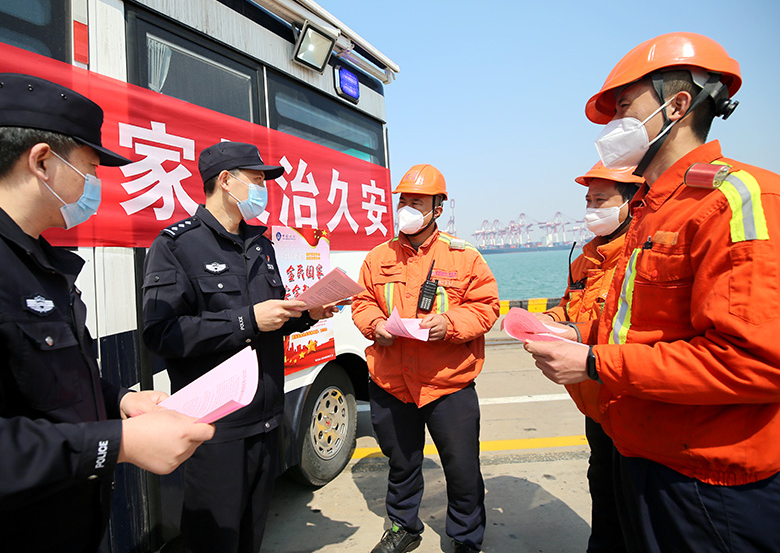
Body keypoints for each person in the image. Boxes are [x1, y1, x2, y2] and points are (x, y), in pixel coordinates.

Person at [0, 73, 215, 553]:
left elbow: (49, 378)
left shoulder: (33, 260)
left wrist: (120, 401)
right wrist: (115, 442)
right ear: (42, 161)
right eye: (90, 168)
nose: (95, 184)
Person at [526, 32, 780, 553]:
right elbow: (637, 324)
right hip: (641, 451)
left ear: (678, 105)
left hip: (708, 483)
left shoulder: (733, 200)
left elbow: (754, 362)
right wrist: (574, 331)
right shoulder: (652, 210)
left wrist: (594, 364)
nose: (615, 125)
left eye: (624, 108)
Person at [141, 141, 337, 553]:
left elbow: (272, 315)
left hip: (266, 421)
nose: (264, 189)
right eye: (257, 179)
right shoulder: (176, 245)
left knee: (251, 536)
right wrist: (247, 319)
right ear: (226, 182)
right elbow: (163, 334)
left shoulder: (260, 245)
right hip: (216, 429)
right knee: (214, 541)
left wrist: (307, 315)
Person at [351, 164, 499, 553]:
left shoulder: (464, 257)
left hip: (448, 384)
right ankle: (403, 527)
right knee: (401, 465)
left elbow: (486, 308)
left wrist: (449, 323)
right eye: (403, 201)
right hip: (391, 383)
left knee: (463, 470)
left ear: (438, 208)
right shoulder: (378, 256)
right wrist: (375, 326)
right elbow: (362, 303)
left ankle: (466, 537)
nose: (407, 208)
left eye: (417, 201)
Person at [539, 162, 642, 553]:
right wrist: (545, 321)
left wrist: (575, 333)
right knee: (601, 482)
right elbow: (569, 305)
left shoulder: (639, 255)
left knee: (634, 496)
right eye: (588, 200)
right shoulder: (584, 259)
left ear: (631, 202)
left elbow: (630, 325)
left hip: (631, 397)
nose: (590, 209)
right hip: (596, 404)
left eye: (601, 200)